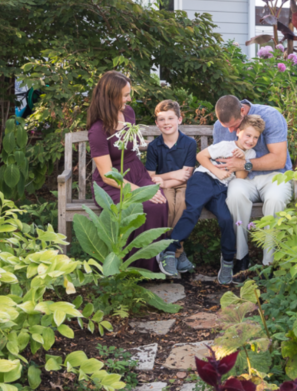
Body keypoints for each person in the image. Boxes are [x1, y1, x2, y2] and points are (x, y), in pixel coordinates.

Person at [160, 115, 263, 286]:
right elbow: (201, 156)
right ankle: (169, 251)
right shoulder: (226, 146)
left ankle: (228, 261)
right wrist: (217, 171)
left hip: (221, 190)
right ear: (238, 132)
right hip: (203, 180)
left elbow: (241, 176)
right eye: (248, 135)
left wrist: (242, 160)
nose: (251, 140)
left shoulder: (250, 154)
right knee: (193, 210)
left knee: (226, 219)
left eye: (255, 137)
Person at [86, 71, 168, 273]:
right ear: (110, 96)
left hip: (137, 173)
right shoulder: (98, 130)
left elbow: (132, 143)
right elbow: (107, 174)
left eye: (129, 93)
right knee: (143, 206)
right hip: (112, 184)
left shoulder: (128, 113)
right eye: (125, 95)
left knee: (159, 202)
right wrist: (139, 191)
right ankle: (131, 270)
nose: (129, 99)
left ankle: (155, 265)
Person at [211, 95, 293, 270]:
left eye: (234, 126)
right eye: (227, 127)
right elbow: (220, 158)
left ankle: (269, 263)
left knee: (276, 199)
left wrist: (244, 163)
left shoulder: (270, 116)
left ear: (242, 110)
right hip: (241, 178)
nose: (231, 131)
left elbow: (279, 159)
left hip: (274, 175)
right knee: (234, 196)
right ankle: (241, 257)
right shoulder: (220, 126)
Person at [145, 100, 197, 274]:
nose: (166, 123)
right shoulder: (153, 147)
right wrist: (171, 176)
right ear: (156, 123)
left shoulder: (189, 143)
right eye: (161, 119)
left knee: (182, 204)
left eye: (170, 118)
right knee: (167, 204)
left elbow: (186, 175)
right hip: (164, 187)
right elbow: (151, 177)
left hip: (183, 186)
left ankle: (171, 253)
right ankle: (178, 255)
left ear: (179, 120)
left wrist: (165, 180)